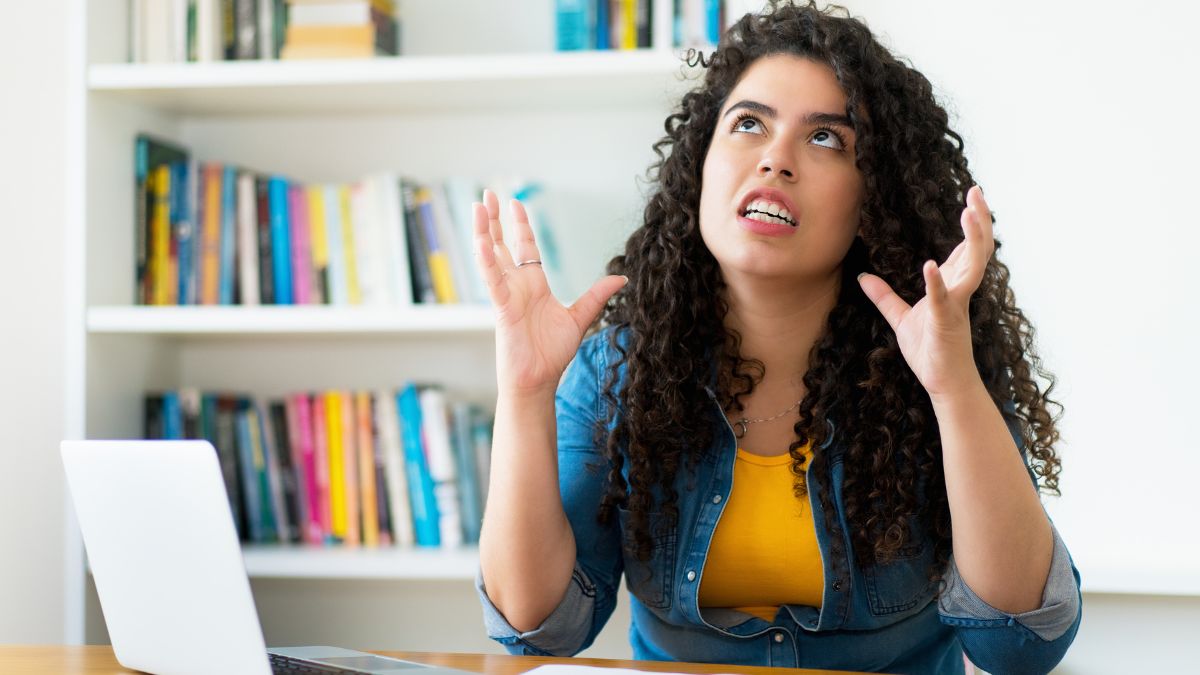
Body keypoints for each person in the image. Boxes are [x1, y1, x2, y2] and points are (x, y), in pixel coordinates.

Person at [471, 1, 1081, 673]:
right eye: (749, 124)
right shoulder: (619, 369)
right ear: (699, 165)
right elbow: (536, 628)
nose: (775, 160)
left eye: (826, 138)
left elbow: (1021, 643)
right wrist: (525, 392)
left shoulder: (936, 359)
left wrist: (954, 387)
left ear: (874, 198)